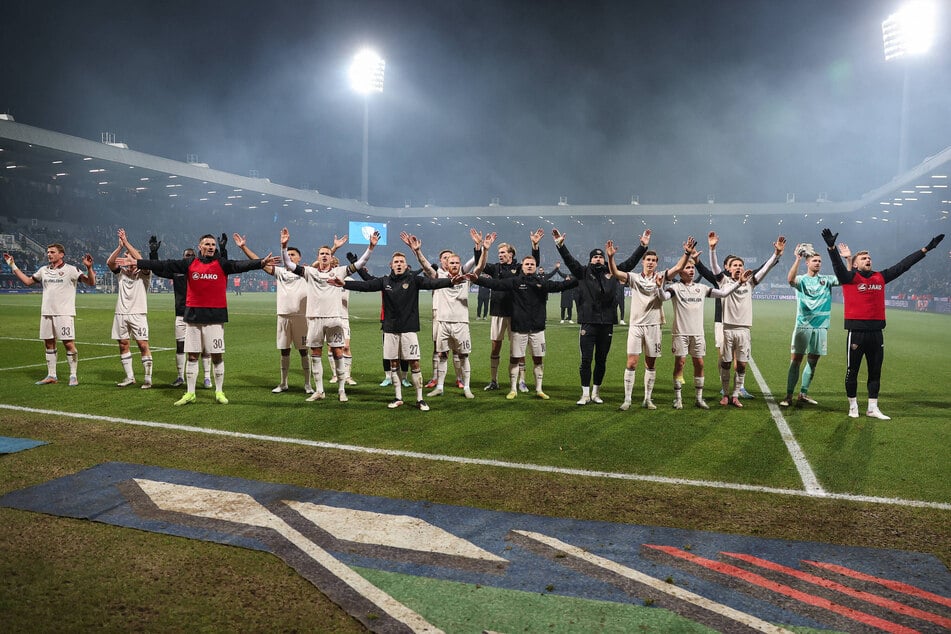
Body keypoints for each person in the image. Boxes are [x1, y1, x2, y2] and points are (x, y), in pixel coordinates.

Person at [117, 234, 275, 405]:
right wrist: (138, 262)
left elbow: (241, 265)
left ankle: (219, 391)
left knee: (217, 356)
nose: (211, 247)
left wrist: (260, 262)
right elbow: (164, 265)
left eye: (213, 244)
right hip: (193, 317)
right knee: (192, 356)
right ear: (200, 246)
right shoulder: (190, 263)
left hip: (215, 318)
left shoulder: (221, 264)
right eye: (207, 244)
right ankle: (190, 393)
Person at [821, 228, 944, 420]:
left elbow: (903, 265)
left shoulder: (880, 277)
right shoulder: (850, 278)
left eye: (869, 258)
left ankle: (872, 408)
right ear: (855, 264)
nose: (868, 259)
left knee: (875, 371)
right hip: (857, 332)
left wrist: (925, 249)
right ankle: (853, 406)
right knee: (852, 371)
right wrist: (831, 248)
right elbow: (838, 267)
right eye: (863, 258)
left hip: (877, 332)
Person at [330, 242, 459, 411]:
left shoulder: (414, 280)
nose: (398, 264)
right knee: (393, 364)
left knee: (415, 363)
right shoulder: (385, 281)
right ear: (391, 265)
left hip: (409, 330)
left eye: (401, 262)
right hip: (390, 329)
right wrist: (344, 284)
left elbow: (433, 283)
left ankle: (420, 399)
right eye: (396, 262)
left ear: (406, 265)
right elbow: (366, 286)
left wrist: (451, 281)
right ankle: (398, 397)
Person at [552, 228, 651, 405]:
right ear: (590, 259)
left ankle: (596, 392)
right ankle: (585, 394)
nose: (598, 259)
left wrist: (642, 247)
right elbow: (569, 260)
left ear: (604, 259)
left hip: (607, 323)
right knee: (586, 359)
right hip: (588, 322)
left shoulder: (612, 271)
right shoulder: (582, 272)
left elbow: (629, 264)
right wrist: (560, 245)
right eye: (595, 257)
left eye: (600, 256)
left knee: (601, 360)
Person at [281, 229, 377, 403]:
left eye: (327, 253)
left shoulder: (340, 271)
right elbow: (288, 263)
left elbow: (360, 263)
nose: (324, 255)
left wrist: (370, 247)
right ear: (318, 257)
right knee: (316, 353)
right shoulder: (309, 272)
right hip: (314, 319)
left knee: (338, 352)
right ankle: (319, 391)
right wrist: (284, 246)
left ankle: (341, 390)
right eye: (322, 253)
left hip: (334, 318)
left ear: (332, 257)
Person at [472, 254, 577, 400]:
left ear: (535, 267)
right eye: (527, 264)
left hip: (537, 329)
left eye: (532, 264)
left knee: (538, 359)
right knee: (515, 359)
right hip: (519, 328)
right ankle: (513, 389)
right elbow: (496, 284)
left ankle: (539, 389)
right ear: (522, 266)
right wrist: (476, 279)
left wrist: (580, 277)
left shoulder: (542, 282)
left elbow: (561, 286)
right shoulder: (515, 282)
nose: (529, 266)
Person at [661, 239, 748, 410]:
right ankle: (678, 398)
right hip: (680, 333)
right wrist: (659, 287)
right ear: (680, 271)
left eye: (692, 268)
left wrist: (739, 283)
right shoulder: (675, 288)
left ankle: (699, 398)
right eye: (688, 268)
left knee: (699, 364)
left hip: (698, 333)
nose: (691, 270)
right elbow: (663, 297)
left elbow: (723, 294)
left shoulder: (701, 288)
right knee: (680, 363)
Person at [405, 232, 491, 399]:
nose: (454, 265)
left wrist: (483, 249)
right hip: (443, 323)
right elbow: (425, 266)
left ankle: (466, 387)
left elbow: (480, 266)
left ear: (460, 264)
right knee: (442, 355)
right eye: (451, 262)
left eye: (457, 262)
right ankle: (440, 387)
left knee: (464, 356)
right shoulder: (440, 276)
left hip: (461, 323)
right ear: (446, 264)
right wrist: (417, 251)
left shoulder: (466, 278)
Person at [708, 235, 786, 407]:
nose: (738, 267)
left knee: (742, 365)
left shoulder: (750, 283)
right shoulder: (724, 282)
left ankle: (735, 395)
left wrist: (776, 254)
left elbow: (765, 269)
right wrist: (712, 249)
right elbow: (714, 268)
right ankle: (726, 394)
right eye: (735, 265)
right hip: (727, 329)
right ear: (729, 269)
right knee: (726, 363)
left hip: (744, 330)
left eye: (740, 265)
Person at [233, 231, 313, 395]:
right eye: (288, 254)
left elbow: (322, 261)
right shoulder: (280, 272)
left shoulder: (306, 271)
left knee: (304, 351)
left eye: (293, 254)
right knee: (284, 350)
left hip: (301, 317)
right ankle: (283, 383)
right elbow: (259, 262)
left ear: (299, 258)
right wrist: (243, 247)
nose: (290, 256)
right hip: (283, 316)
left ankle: (308, 384)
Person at [4, 244, 96, 385]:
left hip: (64, 313)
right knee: (49, 344)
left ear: (61, 254)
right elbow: (28, 281)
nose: (49, 254)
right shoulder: (43, 270)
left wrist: (89, 268)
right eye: (48, 252)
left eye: (52, 252)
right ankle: (51, 375)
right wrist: (12, 265)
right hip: (46, 313)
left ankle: (73, 376)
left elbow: (91, 282)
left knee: (68, 343)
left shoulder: (71, 270)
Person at [606, 239, 680, 410]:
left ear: (657, 263)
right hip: (636, 326)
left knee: (650, 364)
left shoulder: (661, 277)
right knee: (632, 363)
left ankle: (648, 398)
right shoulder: (634, 277)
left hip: (654, 326)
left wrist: (687, 253)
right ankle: (627, 399)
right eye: (648, 260)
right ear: (643, 261)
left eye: (654, 260)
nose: (651, 262)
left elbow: (678, 267)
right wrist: (610, 257)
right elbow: (615, 272)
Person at [480, 229, 542, 392]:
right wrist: (483, 248)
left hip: (516, 313)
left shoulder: (519, 267)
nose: (500, 255)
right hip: (498, 312)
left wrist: (535, 246)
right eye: (499, 253)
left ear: (511, 254)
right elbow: (481, 265)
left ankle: (522, 381)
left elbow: (533, 264)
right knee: (495, 347)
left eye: (502, 252)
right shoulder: (495, 268)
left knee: (518, 350)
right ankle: (494, 380)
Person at [779, 243, 840, 408]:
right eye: (814, 260)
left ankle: (803, 394)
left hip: (821, 327)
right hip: (803, 326)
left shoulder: (826, 280)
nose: (818, 263)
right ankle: (788, 396)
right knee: (796, 361)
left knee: (813, 361)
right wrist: (797, 259)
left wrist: (848, 260)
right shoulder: (801, 280)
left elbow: (845, 278)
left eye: (819, 261)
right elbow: (790, 280)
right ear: (808, 263)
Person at [149, 245, 214, 388]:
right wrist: (153, 253)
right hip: (181, 315)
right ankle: (180, 377)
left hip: (199, 314)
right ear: (183, 257)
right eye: (187, 255)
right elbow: (157, 270)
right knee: (180, 346)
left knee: (205, 347)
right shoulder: (177, 271)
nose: (189, 257)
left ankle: (207, 377)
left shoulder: (201, 270)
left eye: (192, 255)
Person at [105, 228, 154, 388]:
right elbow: (110, 262)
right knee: (123, 344)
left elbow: (141, 261)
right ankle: (130, 377)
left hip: (138, 314)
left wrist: (126, 243)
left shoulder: (145, 273)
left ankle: (147, 378)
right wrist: (120, 247)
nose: (126, 260)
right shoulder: (122, 273)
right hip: (120, 313)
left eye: (128, 257)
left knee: (142, 345)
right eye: (125, 257)